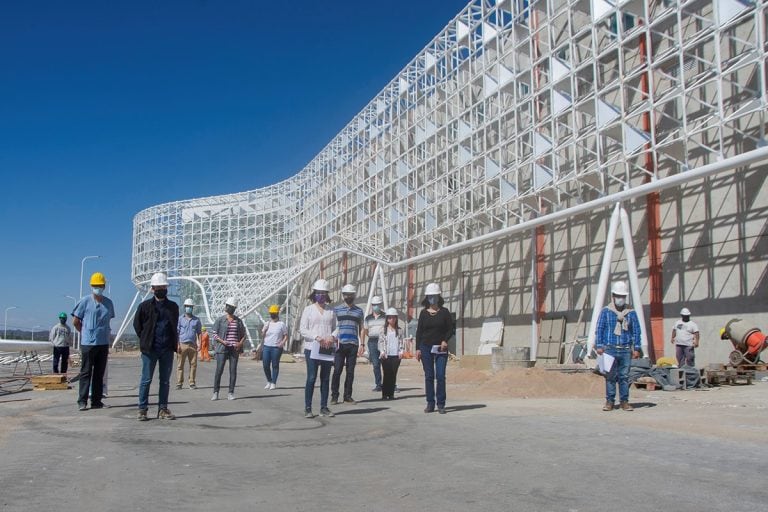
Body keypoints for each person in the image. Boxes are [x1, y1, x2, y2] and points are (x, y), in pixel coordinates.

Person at [133, 272, 179, 421]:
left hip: (166, 349)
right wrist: (146, 339)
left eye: (163, 287)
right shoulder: (144, 306)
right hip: (150, 349)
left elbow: (174, 326)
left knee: (165, 381)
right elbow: (137, 325)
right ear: (152, 289)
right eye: (158, 287)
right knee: (146, 379)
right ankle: (142, 409)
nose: (161, 289)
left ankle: (163, 409)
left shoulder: (173, 307)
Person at [595, 281, 642, 412]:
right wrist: (599, 345)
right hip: (609, 349)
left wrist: (637, 348)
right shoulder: (606, 311)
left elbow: (636, 330)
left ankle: (624, 401)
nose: (620, 299)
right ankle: (610, 401)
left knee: (624, 377)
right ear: (613, 296)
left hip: (625, 349)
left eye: (623, 296)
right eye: (618, 296)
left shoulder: (631, 312)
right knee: (610, 377)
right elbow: (600, 329)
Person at [72, 272, 115, 411]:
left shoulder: (108, 303)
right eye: (96, 285)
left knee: (99, 373)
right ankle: (82, 401)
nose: (98, 287)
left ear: (104, 286)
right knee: (86, 372)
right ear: (91, 286)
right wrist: (84, 333)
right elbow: (76, 321)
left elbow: (108, 321)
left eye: (100, 285)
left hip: (102, 343)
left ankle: (96, 401)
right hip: (88, 344)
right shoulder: (84, 301)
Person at [300, 279, 337, 418]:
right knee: (311, 377)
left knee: (325, 378)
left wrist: (332, 337)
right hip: (312, 347)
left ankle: (324, 407)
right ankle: (308, 408)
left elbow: (336, 327)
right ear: (314, 293)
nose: (320, 295)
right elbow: (302, 329)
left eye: (323, 293)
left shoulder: (331, 310)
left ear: (327, 294)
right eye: (318, 293)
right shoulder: (308, 310)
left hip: (327, 348)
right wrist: (316, 337)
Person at [415, 283, 453, 414]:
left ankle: (441, 404)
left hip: (440, 349)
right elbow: (419, 332)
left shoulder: (445, 312)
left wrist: (445, 340)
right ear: (427, 298)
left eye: (435, 296)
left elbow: (450, 329)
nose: (432, 299)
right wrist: (418, 349)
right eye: (430, 296)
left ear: (439, 297)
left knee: (441, 376)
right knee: (429, 376)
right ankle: (430, 403)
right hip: (425, 347)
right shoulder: (423, 313)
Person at [331, 284, 364, 405]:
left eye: (351, 295)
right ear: (343, 295)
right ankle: (334, 396)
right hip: (340, 344)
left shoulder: (359, 311)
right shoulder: (336, 310)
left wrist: (362, 344)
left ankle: (347, 396)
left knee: (350, 372)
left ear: (354, 295)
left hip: (353, 344)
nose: (348, 297)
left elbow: (361, 328)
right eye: (346, 295)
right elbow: (333, 326)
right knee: (337, 370)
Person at [211, 297, 246, 401]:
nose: (227, 308)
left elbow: (244, 334)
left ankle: (231, 392)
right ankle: (215, 392)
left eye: (229, 306)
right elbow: (214, 334)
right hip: (222, 348)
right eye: (227, 306)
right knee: (219, 370)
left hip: (234, 349)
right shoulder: (220, 320)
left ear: (233, 308)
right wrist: (222, 341)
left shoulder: (238, 321)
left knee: (233, 371)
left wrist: (240, 343)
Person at [379, 308, 405, 400]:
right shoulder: (383, 330)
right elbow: (381, 342)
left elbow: (402, 342)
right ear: (387, 319)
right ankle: (384, 394)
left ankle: (391, 394)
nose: (392, 319)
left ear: (396, 318)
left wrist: (401, 352)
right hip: (386, 356)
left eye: (394, 318)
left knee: (393, 374)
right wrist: (382, 351)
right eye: (390, 318)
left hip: (396, 356)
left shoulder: (400, 330)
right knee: (386, 374)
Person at [261, 304, 288, 390]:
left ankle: (273, 382)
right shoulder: (267, 323)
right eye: (271, 313)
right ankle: (269, 380)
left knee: (275, 365)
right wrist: (264, 329)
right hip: (266, 346)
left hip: (276, 348)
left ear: (277, 313)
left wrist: (282, 343)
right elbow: (263, 335)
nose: (272, 314)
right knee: (265, 365)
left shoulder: (281, 324)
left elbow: (286, 335)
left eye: (274, 313)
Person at [177, 298, 202, 389]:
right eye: (187, 306)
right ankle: (179, 383)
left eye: (190, 307)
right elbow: (177, 332)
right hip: (182, 344)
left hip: (192, 345)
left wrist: (200, 344)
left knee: (193, 365)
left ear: (192, 308)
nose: (189, 308)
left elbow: (199, 333)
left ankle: (192, 382)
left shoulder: (197, 320)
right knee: (180, 365)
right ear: (184, 307)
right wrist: (177, 344)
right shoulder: (180, 319)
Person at [363, 295, 386, 392]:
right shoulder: (368, 318)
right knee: (376, 364)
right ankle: (378, 384)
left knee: (385, 364)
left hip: (383, 341)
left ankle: (388, 383)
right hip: (372, 341)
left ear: (380, 305)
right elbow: (366, 330)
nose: (376, 306)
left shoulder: (385, 316)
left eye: (377, 304)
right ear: (372, 305)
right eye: (374, 305)